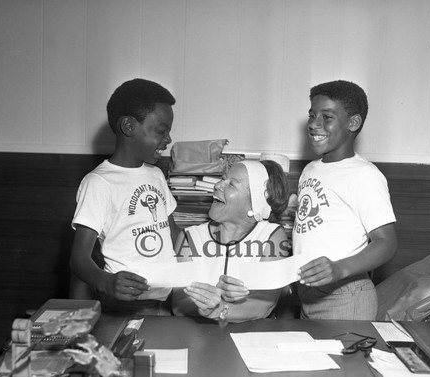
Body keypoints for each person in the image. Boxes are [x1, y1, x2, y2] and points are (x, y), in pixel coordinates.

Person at [70, 78, 180, 315]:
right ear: (129, 126)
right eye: (161, 130)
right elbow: (79, 258)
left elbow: (172, 234)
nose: (168, 139)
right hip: (127, 303)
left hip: (166, 298)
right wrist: (107, 282)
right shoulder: (99, 183)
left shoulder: (156, 175)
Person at [293, 80, 397, 320]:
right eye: (311, 115)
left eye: (326, 117)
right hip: (308, 292)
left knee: (345, 359)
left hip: (345, 294)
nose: (313, 124)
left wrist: (339, 269)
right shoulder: (310, 169)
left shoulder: (364, 175)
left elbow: (386, 243)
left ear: (353, 122)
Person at [172, 160, 290, 322]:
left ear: (255, 203)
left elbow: (263, 305)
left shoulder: (272, 236)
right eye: (222, 178)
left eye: (231, 184)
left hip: (251, 339)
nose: (218, 185)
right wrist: (205, 307)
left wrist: (218, 309)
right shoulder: (189, 237)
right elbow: (179, 304)